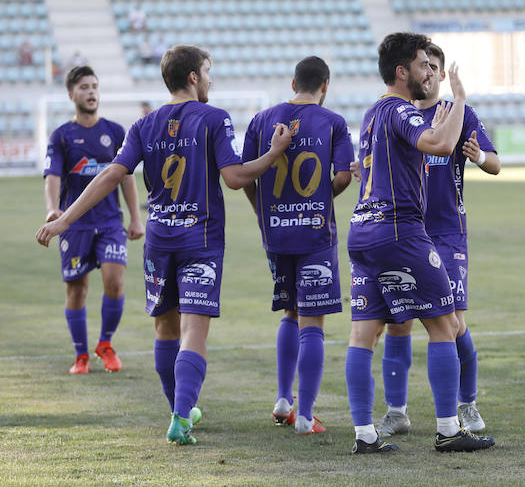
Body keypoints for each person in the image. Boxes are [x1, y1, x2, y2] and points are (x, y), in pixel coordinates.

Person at [36, 45, 292, 445]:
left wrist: (66, 218)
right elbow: (236, 178)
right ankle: (180, 415)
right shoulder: (213, 118)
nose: (210, 79)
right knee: (194, 333)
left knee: (165, 329)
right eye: (207, 71)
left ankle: (181, 410)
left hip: (158, 240)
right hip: (200, 240)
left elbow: (110, 176)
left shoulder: (144, 125)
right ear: (193, 77)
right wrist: (274, 153)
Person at [345, 32, 495, 454]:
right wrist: (459, 98)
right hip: (400, 231)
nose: (428, 72)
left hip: (363, 232)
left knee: (363, 334)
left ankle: (365, 435)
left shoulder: (372, 112)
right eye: (421, 65)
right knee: (444, 325)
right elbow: (442, 144)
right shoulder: (398, 109)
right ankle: (449, 430)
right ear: (402, 71)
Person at [241, 56, 353, 435]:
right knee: (313, 323)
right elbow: (340, 179)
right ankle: (305, 416)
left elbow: (245, 177)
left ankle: (283, 399)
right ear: (325, 87)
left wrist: (264, 214)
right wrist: (326, 196)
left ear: (293, 84)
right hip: (315, 233)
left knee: (289, 312)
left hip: (276, 233)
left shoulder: (261, 121)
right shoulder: (333, 122)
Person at [43, 66, 144, 374]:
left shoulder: (115, 132)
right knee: (77, 289)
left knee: (114, 282)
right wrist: (52, 209)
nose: (91, 92)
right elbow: (53, 176)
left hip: (111, 222)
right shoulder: (62, 135)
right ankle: (81, 355)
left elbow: (125, 178)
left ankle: (105, 344)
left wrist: (136, 219)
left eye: (95, 86)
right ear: (72, 94)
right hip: (75, 225)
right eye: (84, 87)